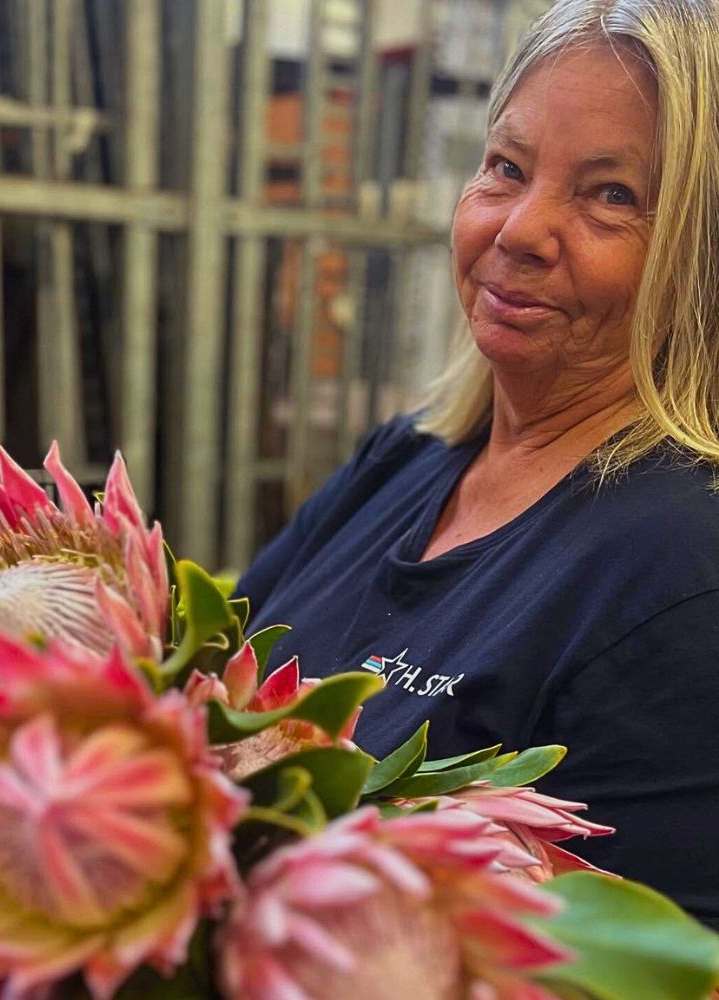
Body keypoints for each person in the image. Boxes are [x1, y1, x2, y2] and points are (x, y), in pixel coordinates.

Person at [236, 0, 719, 929]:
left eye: (609, 195)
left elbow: (648, 969)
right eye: (506, 168)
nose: (521, 230)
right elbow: (207, 693)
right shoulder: (409, 456)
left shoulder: (681, 573)